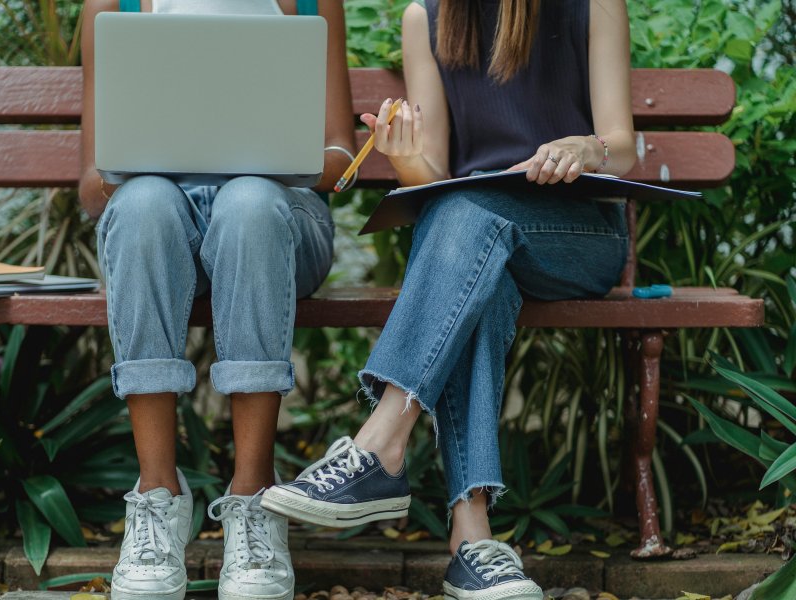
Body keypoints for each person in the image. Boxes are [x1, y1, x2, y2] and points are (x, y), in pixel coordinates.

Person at [261, 0, 636, 598]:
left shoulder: (593, 5)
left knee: (463, 220)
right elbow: (431, 174)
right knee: (474, 261)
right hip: (475, 246)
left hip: (575, 236)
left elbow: (625, 145)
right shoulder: (426, 16)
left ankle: (381, 444)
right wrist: (406, 156)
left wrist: (590, 148)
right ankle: (473, 543)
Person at [78, 2, 355, 600]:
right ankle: (158, 498)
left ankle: (254, 502)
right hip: (162, 223)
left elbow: (338, 151)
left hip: (279, 221)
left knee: (248, 203)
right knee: (144, 206)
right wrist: (142, 164)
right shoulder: (117, 7)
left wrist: (281, 162)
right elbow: (90, 182)